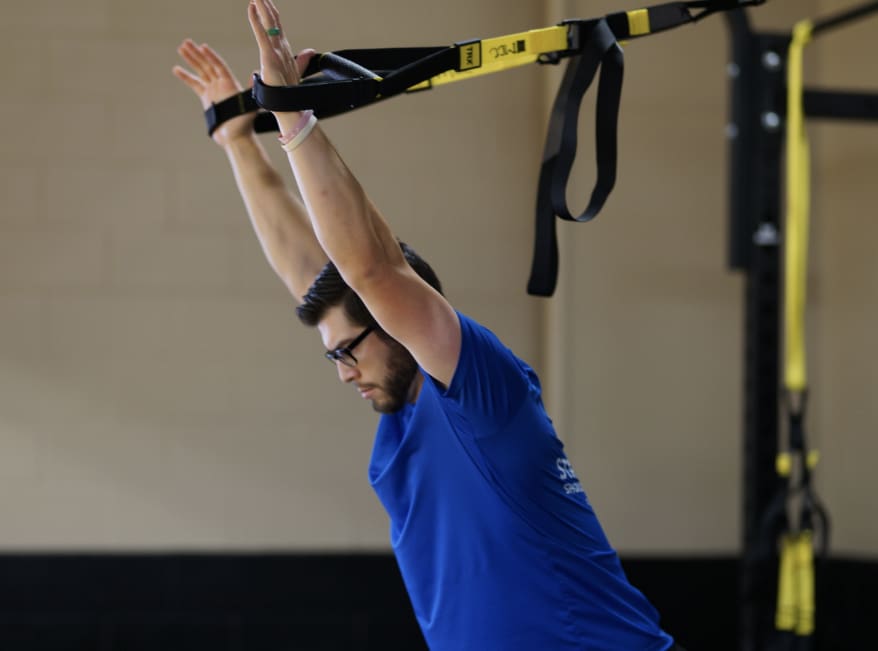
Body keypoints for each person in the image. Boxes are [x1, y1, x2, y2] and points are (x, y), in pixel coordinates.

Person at [173, 1, 683, 648]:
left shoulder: (482, 395)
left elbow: (375, 270)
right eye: (334, 358)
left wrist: (293, 116)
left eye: (349, 352)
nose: (344, 373)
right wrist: (238, 143)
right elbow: (310, 271)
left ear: (391, 323)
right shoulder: (400, 414)